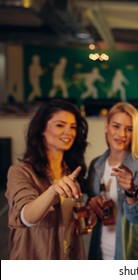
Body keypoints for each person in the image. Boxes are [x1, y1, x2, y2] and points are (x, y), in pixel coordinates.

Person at [6, 99, 89, 259]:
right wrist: (52, 191)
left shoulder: (70, 171)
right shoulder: (20, 172)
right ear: (42, 129)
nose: (69, 132)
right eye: (60, 125)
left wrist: (86, 214)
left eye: (73, 127)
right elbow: (25, 217)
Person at [86, 102, 138, 260]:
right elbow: (88, 207)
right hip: (98, 250)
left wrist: (131, 192)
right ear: (106, 126)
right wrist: (91, 203)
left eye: (129, 129)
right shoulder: (95, 164)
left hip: (128, 252)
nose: (122, 134)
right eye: (116, 126)